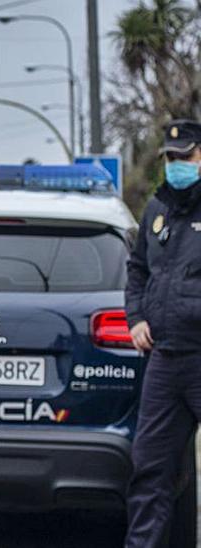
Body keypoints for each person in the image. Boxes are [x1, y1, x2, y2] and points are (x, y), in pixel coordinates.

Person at [124, 119, 201, 547]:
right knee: (150, 472)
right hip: (164, 361)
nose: (177, 165)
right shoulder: (157, 209)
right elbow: (136, 270)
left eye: (184, 157)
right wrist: (135, 318)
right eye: (171, 158)